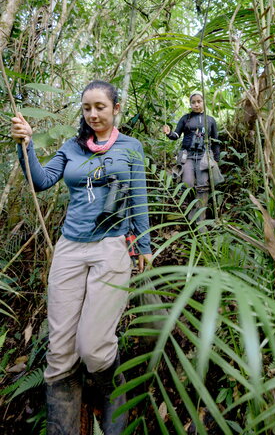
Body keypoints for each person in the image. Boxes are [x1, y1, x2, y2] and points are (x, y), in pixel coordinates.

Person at [11, 80, 152, 435]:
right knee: (60, 353)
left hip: (112, 247)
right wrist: (25, 145)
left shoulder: (131, 148)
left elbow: (139, 199)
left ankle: (111, 397)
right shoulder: (71, 147)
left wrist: (143, 247)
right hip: (70, 249)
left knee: (94, 349)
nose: (93, 114)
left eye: (100, 107)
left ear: (115, 108)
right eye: (87, 108)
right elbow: (40, 181)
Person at [163, 91, 220, 221]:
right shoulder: (185, 118)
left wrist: (216, 160)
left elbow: (215, 141)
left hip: (204, 156)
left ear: (203, 102)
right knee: (187, 183)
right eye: (193, 102)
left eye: (199, 101)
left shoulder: (210, 120)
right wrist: (168, 132)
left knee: (202, 185)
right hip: (187, 155)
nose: (196, 104)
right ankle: (191, 211)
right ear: (190, 104)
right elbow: (175, 135)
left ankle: (200, 220)